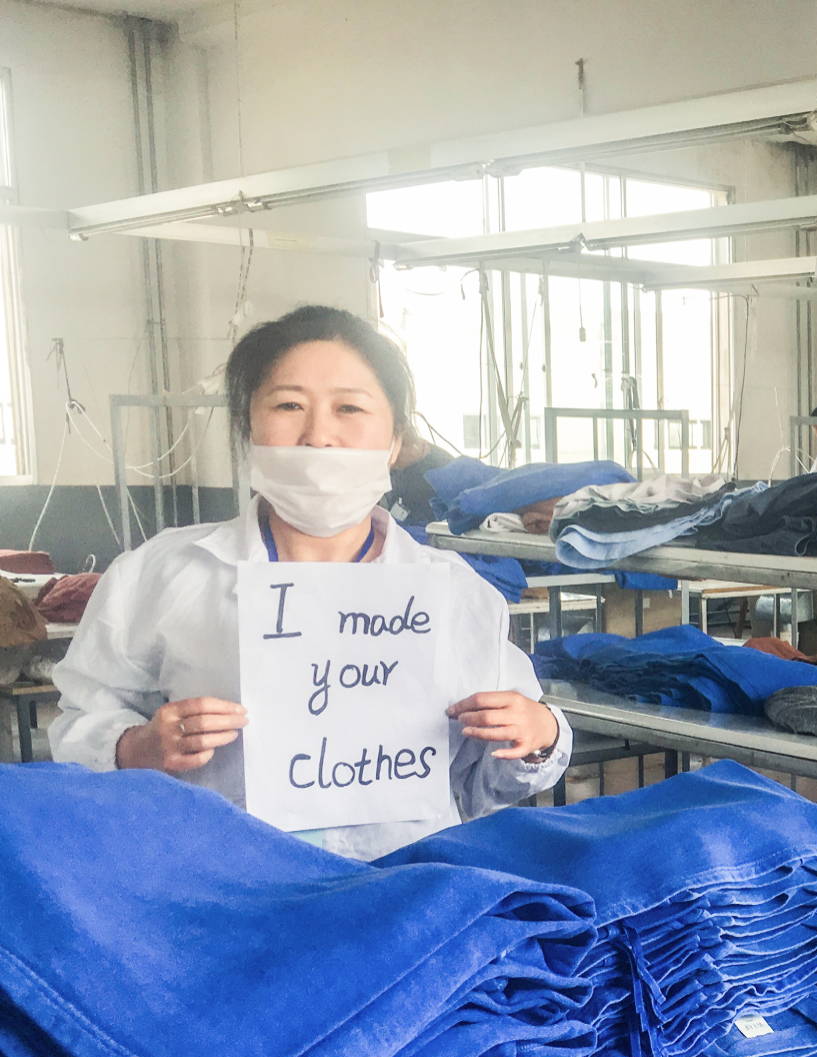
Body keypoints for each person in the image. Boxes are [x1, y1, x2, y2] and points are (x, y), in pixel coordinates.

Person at [49, 305, 572, 860]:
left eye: (349, 407)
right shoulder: (161, 573)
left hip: (399, 894)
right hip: (216, 888)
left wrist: (538, 736)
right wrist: (136, 747)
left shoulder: (453, 594)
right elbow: (83, 716)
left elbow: (480, 785)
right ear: (248, 426)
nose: (319, 435)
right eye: (288, 405)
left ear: (394, 441)